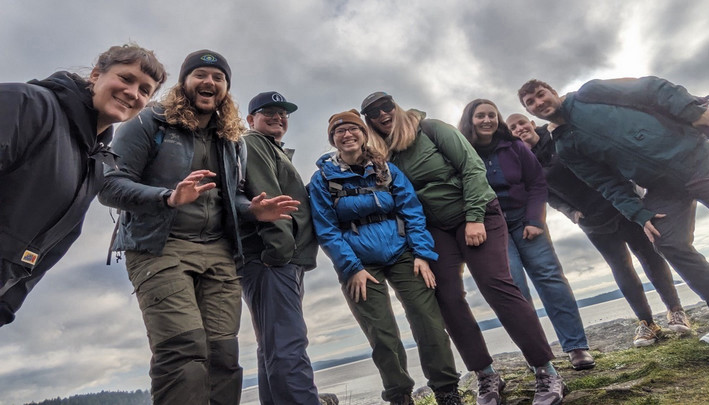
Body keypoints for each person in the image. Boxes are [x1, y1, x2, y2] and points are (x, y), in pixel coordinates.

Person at [98, 50, 299, 405]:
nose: (210, 82)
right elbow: (110, 185)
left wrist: (252, 209)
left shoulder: (231, 138)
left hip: (218, 251)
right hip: (158, 247)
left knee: (223, 355)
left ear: (225, 88)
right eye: (201, 74)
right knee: (183, 352)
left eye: (218, 78)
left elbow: (231, 197)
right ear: (185, 81)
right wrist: (169, 197)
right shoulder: (148, 122)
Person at [361, 91, 565, 405]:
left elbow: (471, 167)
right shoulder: (380, 153)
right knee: (446, 297)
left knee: (496, 284)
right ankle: (485, 375)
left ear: (396, 106)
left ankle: (545, 369)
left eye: (386, 106)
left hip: (478, 213)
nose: (382, 114)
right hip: (435, 228)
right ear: (368, 121)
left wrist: (474, 218)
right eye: (373, 113)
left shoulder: (431, 129)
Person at [518, 77, 709, 344]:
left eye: (541, 94)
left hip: (697, 160)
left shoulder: (591, 93)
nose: (539, 102)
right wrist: (638, 213)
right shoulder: (565, 146)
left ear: (553, 92)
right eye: (530, 102)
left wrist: (693, 112)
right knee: (666, 240)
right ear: (530, 111)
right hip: (662, 188)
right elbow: (606, 183)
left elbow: (651, 88)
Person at [0, 43, 166, 327]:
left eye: (144, 90)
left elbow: (49, 247)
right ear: (95, 75)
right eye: (126, 78)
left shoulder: (95, 165)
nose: (132, 93)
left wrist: (6, 305)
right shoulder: (26, 103)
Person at [309, 110, 461, 405]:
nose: (347, 135)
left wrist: (421, 254)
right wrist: (350, 267)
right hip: (359, 264)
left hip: (403, 253)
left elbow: (412, 210)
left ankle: (446, 390)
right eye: (339, 132)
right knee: (381, 332)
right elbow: (325, 228)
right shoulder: (322, 179)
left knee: (427, 320)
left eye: (353, 129)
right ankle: (400, 395)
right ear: (333, 139)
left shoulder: (386, 170)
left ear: (363, 134)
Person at [506, 112, 690, 347]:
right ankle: (646, 323)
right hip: (592, 220)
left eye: (522, 122)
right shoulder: (523, 161)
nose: (519, 128)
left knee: (649, 257)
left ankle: (675, 310)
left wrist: (629, 190)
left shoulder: (557, 135)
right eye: (513, 128)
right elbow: (545, 194)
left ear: (531, 124)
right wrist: (571, 213)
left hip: (619, 204)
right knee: (621, 268)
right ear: (510, 135)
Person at [458, 99, 594, 370]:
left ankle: (576, 347)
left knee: (551, 278)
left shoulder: (515, 147)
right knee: (515, 289)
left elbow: (537, 184)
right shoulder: (461, 153)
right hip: (492, 229)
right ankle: (538, 357)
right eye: (480, 116)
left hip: (525, 222)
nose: (487, 120)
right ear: (469, 121)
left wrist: (534, 220)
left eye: (491, 115)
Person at [240, 91, 320, 404]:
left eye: (282, 113)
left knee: (273, 348)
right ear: (251, 119)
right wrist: (279, 254)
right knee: (289, 346)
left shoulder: (273, 149)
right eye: (268, 112)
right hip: (274, 260)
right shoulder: (255, 143)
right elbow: (269, 199)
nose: (278, 117)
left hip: (278, 261)